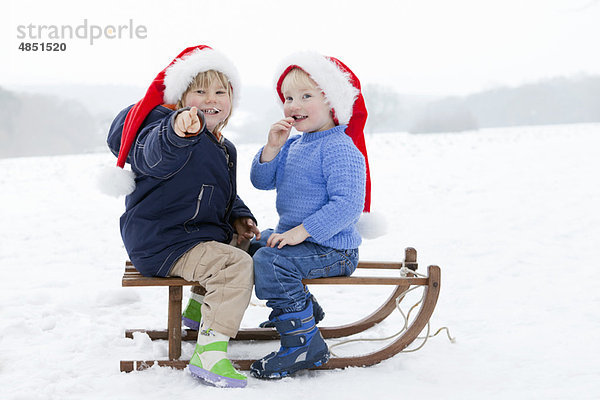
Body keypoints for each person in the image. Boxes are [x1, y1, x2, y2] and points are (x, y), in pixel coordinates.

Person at [104, 45, 260, 388]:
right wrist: (175, 132)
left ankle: (197, 313)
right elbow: (152, 157)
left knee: (246, 246)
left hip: (190, 235)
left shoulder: (223, 147)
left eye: (221, 91)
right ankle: (210, 354)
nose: (211, 98)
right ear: (180, 99)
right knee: (233, 265)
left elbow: (223, 194)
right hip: (162, 240)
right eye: (199, 91)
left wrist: (239, 216)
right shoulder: (173, 133)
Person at [249, 51, 374, 379]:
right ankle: (302, 309)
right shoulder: (295, 145)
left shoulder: (340, 148)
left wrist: (300, 231)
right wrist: (272, 148)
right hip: (303, 242)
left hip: (334, 249)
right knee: (254, 246)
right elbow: (261, 182)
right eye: (289, 97)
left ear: (332, 101)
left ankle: (303, 343)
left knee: (269, 261)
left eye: (306, 96)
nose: (294, 104)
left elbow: (347, 205)